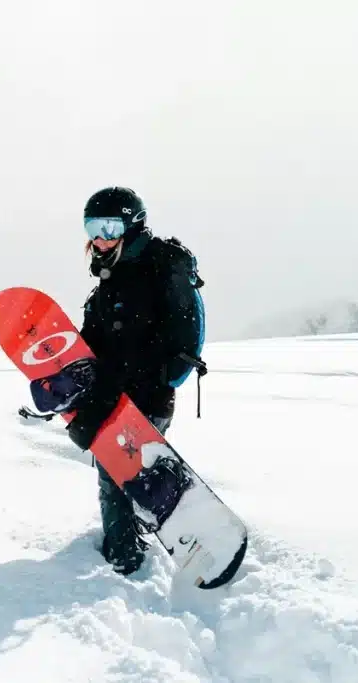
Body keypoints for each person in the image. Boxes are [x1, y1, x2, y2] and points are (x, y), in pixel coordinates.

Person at [63, 186, 208, 576]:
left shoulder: (156, 269)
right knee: (120, 471)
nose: (101, 237)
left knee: (116, 473)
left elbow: (173, 340)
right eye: (93, 227)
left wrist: (141, 388)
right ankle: (134, 533)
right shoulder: (112, 279)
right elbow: (99, 340)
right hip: (116, 395)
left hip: (146, 395)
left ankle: (124, 561)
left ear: (133, 225)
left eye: (111, 226)